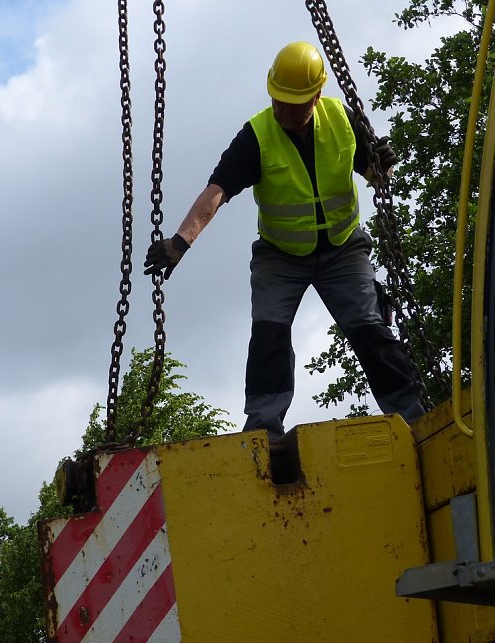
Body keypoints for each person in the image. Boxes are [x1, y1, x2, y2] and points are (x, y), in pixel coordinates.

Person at [144, 41, 425, 441]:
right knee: (269, 335)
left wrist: (384, 164)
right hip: (281, 257)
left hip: (344, 249)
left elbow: (376, 178)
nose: (284, 110)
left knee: (370, 330)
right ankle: (264, 428)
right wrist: (179, 243)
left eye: (295, 103)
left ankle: (413, 417)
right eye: (279, 100)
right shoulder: (256, 136)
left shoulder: (344, 121)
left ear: (316, 95)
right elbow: (217, 190)